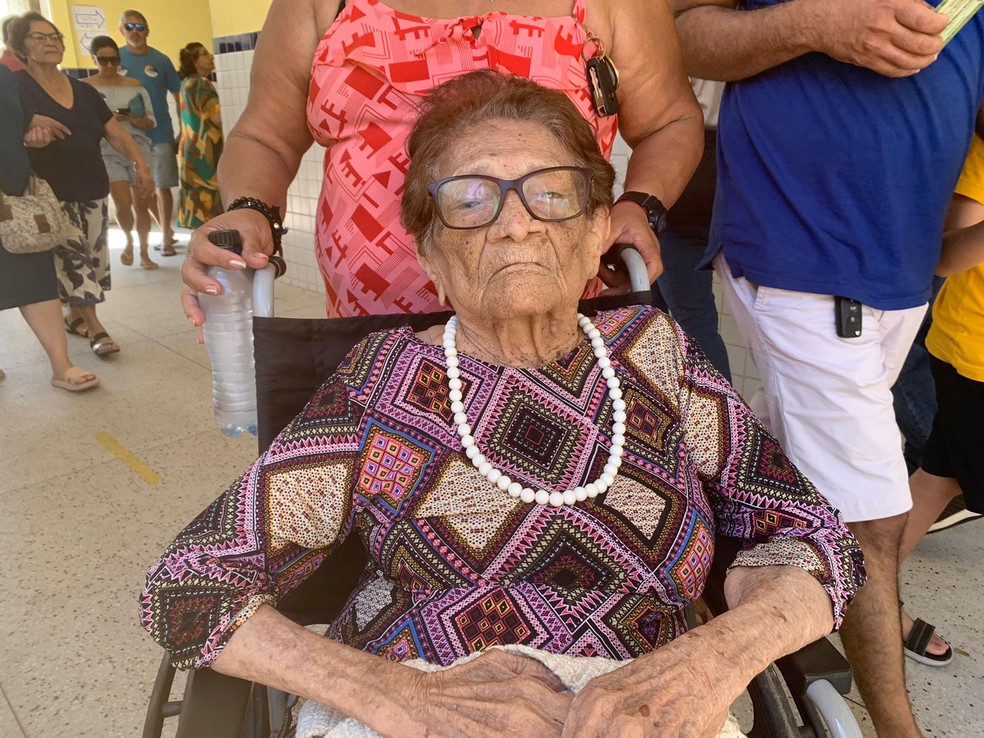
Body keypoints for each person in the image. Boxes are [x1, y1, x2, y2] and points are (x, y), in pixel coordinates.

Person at [142, 72, 865, 738]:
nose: (516, 224)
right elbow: (188, 586)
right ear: (430, 255)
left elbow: (816, 538)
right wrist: (400, 696)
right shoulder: (381, 382)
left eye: (551, 194)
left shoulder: (656, 353)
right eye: (470, 200)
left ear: (596, 232)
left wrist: (711, 662)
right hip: (421, 704)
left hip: (648, 709)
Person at [669, 0, 984, 734]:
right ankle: (895, 723)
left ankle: (759, 612)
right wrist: (818, 25)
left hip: (903, 261)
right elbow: (681, 34)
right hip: (805, 249)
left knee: (794, 474)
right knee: (874, 518)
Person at [179, 0, 704, 323]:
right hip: (370, 338)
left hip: (554, 325)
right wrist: (250, 208)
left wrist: (638, 205)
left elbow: (669, 122)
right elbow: (266, 136)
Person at [10, 12, 154, 357]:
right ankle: (95, 326)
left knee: (94, 258)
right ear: (21, 47)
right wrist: (27, 135)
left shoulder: (84, 91)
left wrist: (141, 165)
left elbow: (115, 134)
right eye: (39, 37)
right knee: (73, 256)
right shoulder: (15, 88)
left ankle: (74, 316)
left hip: (91, 185)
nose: (50, 43)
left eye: (54, 37)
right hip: (48, 193)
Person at [899, 136, 984, 666]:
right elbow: (947, 255)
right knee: (939, 476)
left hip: (968, 353)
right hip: (975, 356)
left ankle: (861, 591)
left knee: (938, 477)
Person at [0, 64, 99, 392]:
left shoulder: (3, 76)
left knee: (35, 277)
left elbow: (22, 126)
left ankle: (61, 365)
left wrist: (34, 137)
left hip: (13, 195)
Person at [654, 77, 730, 379]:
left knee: (694, 320)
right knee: (651, 310)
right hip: (733, 163)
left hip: (683, 161)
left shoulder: (681, 46)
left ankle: (722, 407)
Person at [84, 35, 158, 270]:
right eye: (103, 60)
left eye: (113, 60)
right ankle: (128, 240)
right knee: (123, 203)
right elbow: (84, 124)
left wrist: (133, 118)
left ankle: (144, 251)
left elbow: (150, 122)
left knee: (142, 203)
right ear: (93, 59)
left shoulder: (134, 85)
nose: (109, 65)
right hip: (106, 149)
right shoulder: (86, 87)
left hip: (138, 148)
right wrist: (109, 120)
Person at [118, 9, 181, 256]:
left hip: (160, 132)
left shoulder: (161, 60)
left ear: (147, 30)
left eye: (139, 27)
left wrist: (183, 129)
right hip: (128, 135)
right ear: (121, 31)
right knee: (142, 188)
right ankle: (165, 230)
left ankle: (166, 238)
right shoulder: (116, 59)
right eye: (129, 27)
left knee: (163, 185)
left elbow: (178, 94)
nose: (135, 32)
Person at [176, 42, 223, 228]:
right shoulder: (202, 83)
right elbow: (217, 118)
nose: (210, 56)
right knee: (210, 206)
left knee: (197, 207)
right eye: (204, 54)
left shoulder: (186, 83)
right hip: (205, 153)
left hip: (190, 150)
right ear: (194, 61)